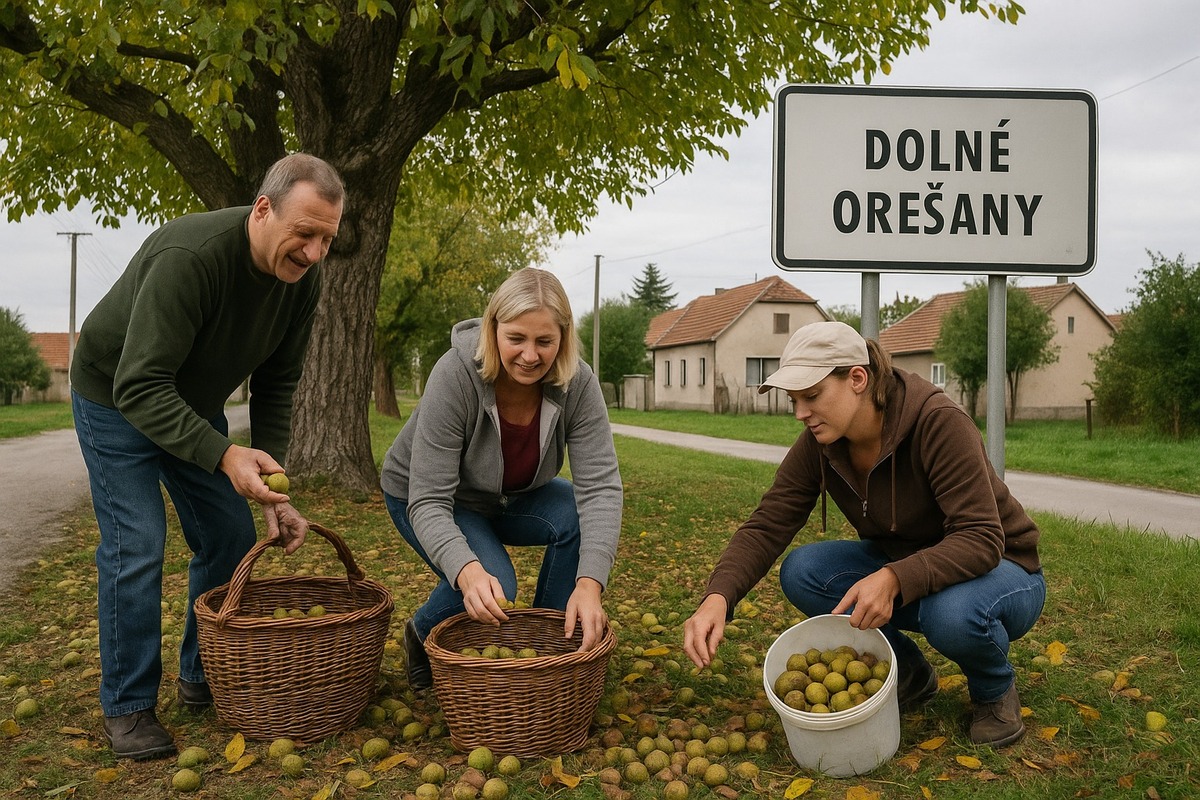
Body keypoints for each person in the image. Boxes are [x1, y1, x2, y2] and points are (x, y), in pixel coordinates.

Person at [70, 153, 345, 760]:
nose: (314, 253)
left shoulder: (304, 280)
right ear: (263, 209)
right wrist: (224, 455)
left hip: (190, 404)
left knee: (227, 537)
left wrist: (272, 480)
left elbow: (278, 382)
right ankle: (129, 704)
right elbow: (139, 387)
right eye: (305, 234)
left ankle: (203, 674)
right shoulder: (189, 259)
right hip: (116, 396)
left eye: (327, 238)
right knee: (137, 541)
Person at [683, 321, 1045, 747]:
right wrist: (718, 597)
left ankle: (994, 691)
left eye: (812, 396)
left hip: (1003, 571)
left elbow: (981, 538)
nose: (801, 413)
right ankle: (907, 673)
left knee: (951, 615)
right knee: (803, 571)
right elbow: (768, 522)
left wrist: (893, 579)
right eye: (794, 400)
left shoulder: (938, 422)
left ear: (857, 378)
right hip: (912, 568)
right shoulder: (821, 441)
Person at [380, 267, 623, 690]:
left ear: (563, 339)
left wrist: (589, 584)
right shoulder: (456, 375)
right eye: (517, 339)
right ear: (493, 330)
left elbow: (600, 488)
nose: (530, 355)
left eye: (544, 341)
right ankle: (420, 634)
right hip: (428, 497)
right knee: (494, 581)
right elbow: (429, 501)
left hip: (509, 495)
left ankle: (547, 649)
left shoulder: (578, 383)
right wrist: (467, 570)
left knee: (578, 514)